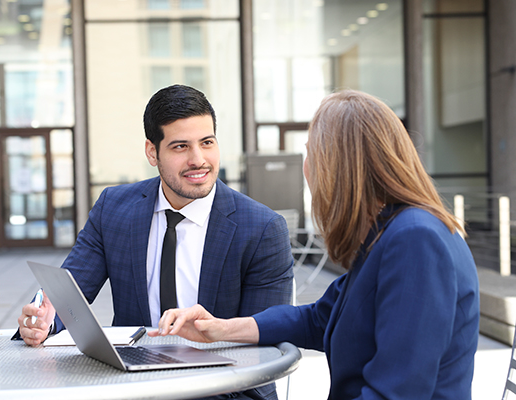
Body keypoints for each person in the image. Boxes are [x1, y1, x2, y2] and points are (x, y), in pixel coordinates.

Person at [151, 90, 480, 399]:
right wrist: (220, 329)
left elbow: (396, 392)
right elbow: (318, 320)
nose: (307, 169)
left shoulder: (414, 240)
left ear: (339, 166)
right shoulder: (387, 232)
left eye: (312, 154)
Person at [16, 84, 294, 400]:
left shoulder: (261, 229)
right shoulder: (114, 208)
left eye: (207, 142)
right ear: (152, 152)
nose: (198, 159)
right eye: (180, 147)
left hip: (225, 389)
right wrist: (44, 322)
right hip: (132, 388)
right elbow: (68, 297)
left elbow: (265, 344)